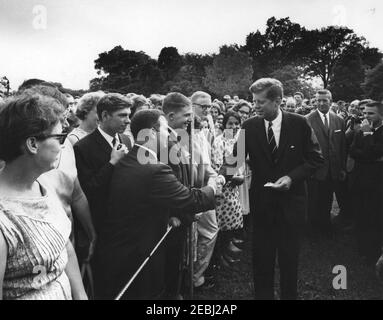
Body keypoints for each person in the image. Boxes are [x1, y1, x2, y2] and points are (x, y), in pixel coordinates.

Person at [97, 109, 217, 299]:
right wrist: (213, 185)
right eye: (165, 130)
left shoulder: (125, 159)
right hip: (141, 253)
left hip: (119, 249)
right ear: (152, 132)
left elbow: (145, 199)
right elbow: (192, 199)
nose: (170, 136)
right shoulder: (154, 169)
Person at [224, 78, 323, 299]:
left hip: (292, 203)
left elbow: (316, 159)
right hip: (263, 204)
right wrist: (219, 181)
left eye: (260, 102)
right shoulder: (248, 126)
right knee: (262, 259)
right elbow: (233, 160)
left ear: (277, 101)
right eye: (253, 101)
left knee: (290, 259)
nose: (255, 106)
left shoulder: (299, 123)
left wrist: (291, 177)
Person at [0, 93, 87, 300]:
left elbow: (63, 246)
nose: (63, 145)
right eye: (59, 138)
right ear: (32, 144)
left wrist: (81, 296)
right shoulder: (4, 219)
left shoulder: (42, 185)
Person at [73, 93, 132, 297]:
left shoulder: (125, 139)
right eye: (122, 115)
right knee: (104, 280)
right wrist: (112, 163)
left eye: (129, 115)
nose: (128, 120)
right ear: (105, 115)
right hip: (102, 225)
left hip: (125, 223)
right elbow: (88, 189)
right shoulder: (82, 147)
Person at [306, 89, 347, 236]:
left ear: (331, 100)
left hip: (333, 169)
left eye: (325, 100)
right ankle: (312, 228)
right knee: (313, 200)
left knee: (328, 198)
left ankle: (325, 225)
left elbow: (342, 146)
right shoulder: (307, 119)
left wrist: (342, 168)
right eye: (319, 100)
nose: (321, 103)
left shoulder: (339, 120)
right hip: (315, 169)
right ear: (315, 101)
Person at [191, 91, 221, 289]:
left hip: (206, 186)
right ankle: (193, 277)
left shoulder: (203, 130)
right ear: (191, 105)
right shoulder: (185, 132)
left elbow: (206, 161)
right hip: (194, 189)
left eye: (209, 107)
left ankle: (196, 274)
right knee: (201, 233)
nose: (207, 110)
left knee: (209, 231)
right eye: (203, 106)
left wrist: (216, 176)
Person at [349, 101, 383, 262]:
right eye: (365, 112)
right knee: (360, 213)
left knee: (374, 216)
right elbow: (353, 151)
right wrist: (367, 154)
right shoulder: (361, 130)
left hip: (376, 183)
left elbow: (374, 152)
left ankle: (373, 251)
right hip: (359, 178)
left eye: (371, 113)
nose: (366, 116)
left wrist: (369, 135)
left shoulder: (373, 131)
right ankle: (361, 247)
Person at [211, 111, 244, 265]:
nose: (234, 126)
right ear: (224, 125)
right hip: (223, 188)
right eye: (230, 123)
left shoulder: (239, 140)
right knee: (221, 224)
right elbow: (218, 166)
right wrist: (232, 179)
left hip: (234, 188)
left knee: (230, 223)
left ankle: (225, 250)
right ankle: (218, 256)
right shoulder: (219, 142)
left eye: (237, 123)